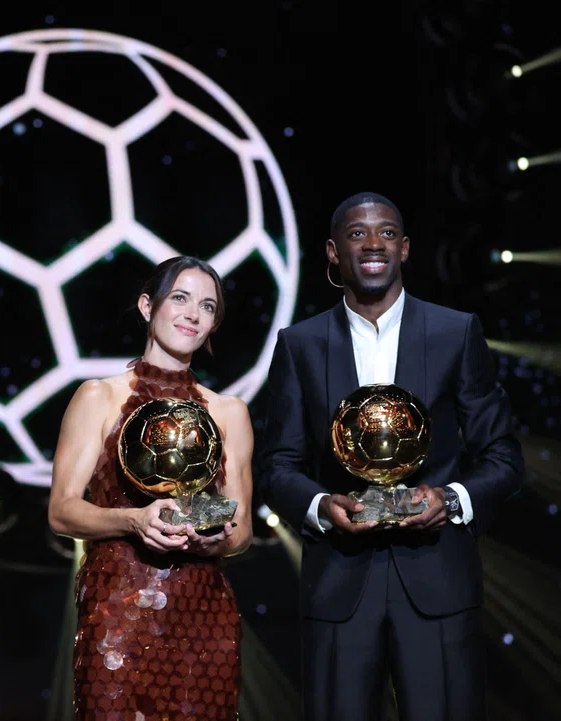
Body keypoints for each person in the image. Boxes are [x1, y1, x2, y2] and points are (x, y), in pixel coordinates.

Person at [259, 191, 525, 721]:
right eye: (357, 233)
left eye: (386, 232)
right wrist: (321, 507)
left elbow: (502, 456)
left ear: (405, 248)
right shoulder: (301, 344)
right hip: (339, 584)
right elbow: (276, 466)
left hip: (438, 580)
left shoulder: (455, 331)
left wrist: (450, 498)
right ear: (333, 252)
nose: (373, 242)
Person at [48, 256, 254, 721]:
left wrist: (216, 538)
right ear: (147, 306)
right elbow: (61, 511)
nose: (192, 314)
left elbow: (241, 530)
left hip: (205, 617)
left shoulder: (229, 413)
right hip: (118, 614)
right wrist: (132, 519)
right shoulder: (99, 396)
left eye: (207, 306)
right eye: (179, 298)